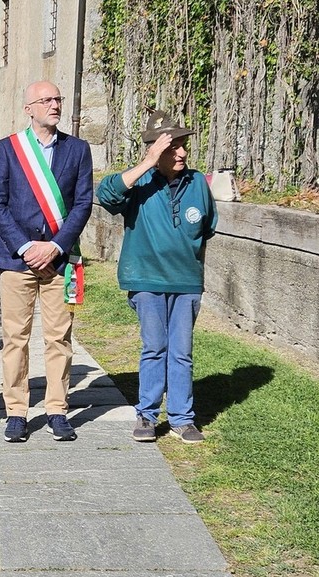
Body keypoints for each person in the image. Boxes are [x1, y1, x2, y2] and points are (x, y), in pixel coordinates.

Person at [96, 111, 217, 444]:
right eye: (172, 147)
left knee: (182, 352)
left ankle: (182, 418)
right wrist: (148, 162)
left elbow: (207, 228)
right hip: (147, 280)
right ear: (155, 149)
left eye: (183, 145)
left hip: (186, 282)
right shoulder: (139, 183)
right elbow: (106, 194)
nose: (181, 153)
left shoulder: (197, 184)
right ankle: (147, 416)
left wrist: (192, 269)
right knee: (155, 347)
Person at [0, 81, 94, 443]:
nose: (55, 105)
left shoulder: (77, 149)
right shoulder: (7, 148)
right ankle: (16, 412)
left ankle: (57, 410)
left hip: (60, 262)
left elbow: (83, 203)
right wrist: (26, 248)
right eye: (46, 100)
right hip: (16, 260)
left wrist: (55, 247)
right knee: (15, 338)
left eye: (58, 99)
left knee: (59, 338)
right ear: (28, 108)